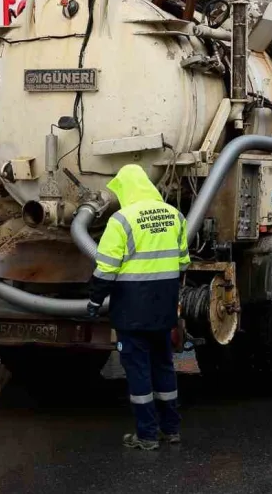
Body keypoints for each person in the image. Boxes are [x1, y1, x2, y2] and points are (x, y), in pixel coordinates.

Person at [87, 164, 189, 451]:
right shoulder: (174, 215)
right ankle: (171, 429)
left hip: (131, 312)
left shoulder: (121, 221)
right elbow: (183, 262)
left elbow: (105, 270)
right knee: (164, 367)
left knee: (138, 372)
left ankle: (146, 435)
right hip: (164, 309)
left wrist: (94, 302)